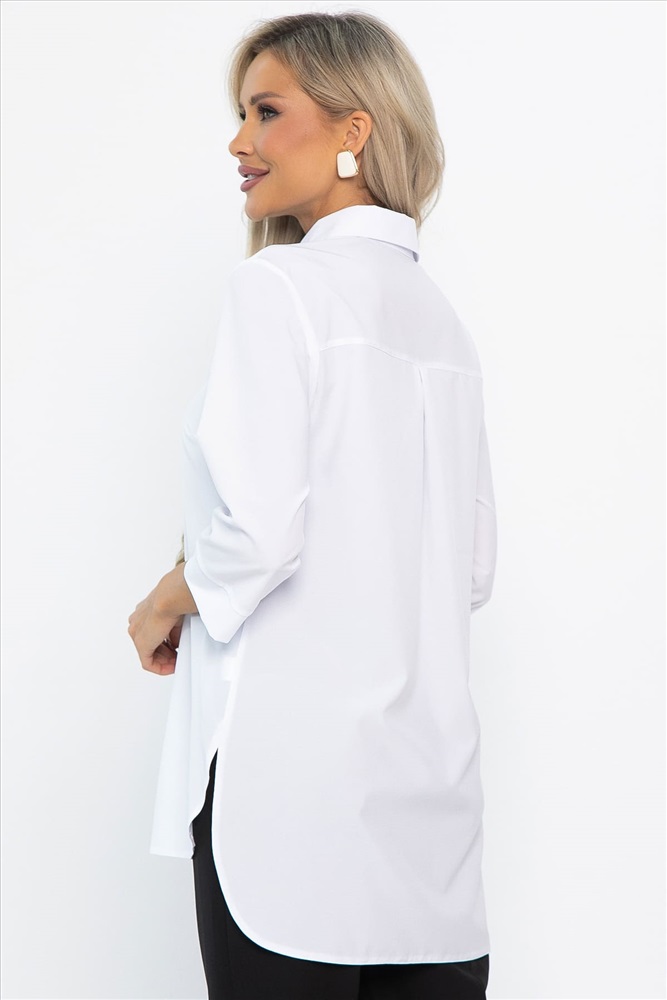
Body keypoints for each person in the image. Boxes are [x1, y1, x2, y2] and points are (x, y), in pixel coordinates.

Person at [128, 10, 497, 999]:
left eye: (265, 111)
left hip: (286, 805)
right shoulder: (442, 323)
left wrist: (163, 601)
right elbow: (470, 570)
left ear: (353, 129)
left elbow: (255, 536)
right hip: (430, 816)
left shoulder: (280, 287)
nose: (238, 142)